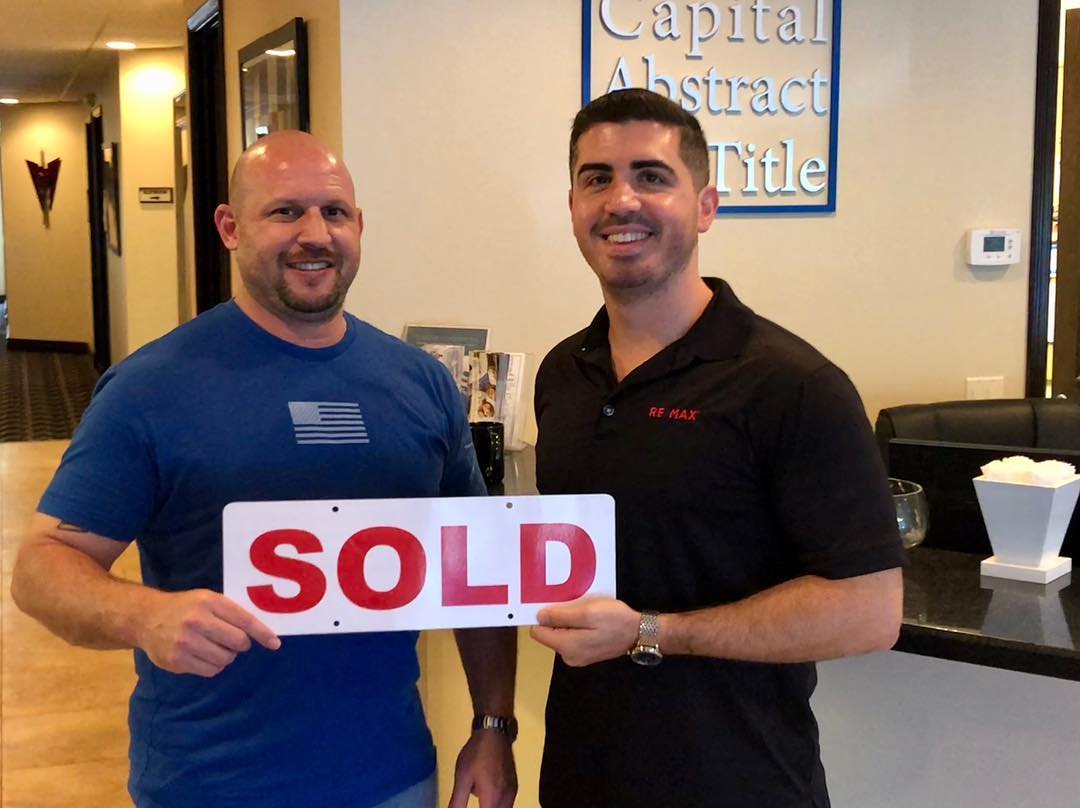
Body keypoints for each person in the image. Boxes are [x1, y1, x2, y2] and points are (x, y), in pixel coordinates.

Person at [11, 131, 517, 808]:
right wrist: (143, 614)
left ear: (359, 227)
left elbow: (476, 567)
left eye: (335, 213)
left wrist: (492, 725)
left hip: (394, 775)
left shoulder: (420, 383)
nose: (315, 234)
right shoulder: (151, 388)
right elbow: (43, 567)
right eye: (285, 212)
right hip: (211, 784)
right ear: (229, 227)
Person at [529, 88, 905, 807]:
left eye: (652, 175)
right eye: (596, 178)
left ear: (706, 206)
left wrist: (652, 632)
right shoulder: (562, 373)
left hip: (740, 782)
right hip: (582, 779)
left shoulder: (792, 385)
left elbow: (869, 610)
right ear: (573, 205)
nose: (621, 200)